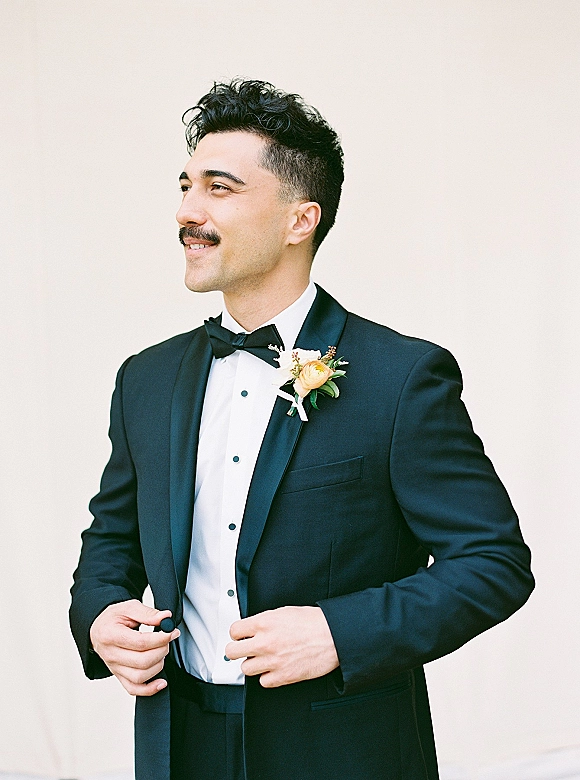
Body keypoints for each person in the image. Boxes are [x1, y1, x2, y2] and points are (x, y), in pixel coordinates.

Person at [70, 79, 534, 780]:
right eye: (186, 185)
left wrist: (338, 633)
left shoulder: (401, 378)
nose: (186, 212)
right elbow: (112, 540)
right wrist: (102, 613)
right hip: (179, 742)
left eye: (219, 188)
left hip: (342, 753)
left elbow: (493, 564)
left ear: (299, 220)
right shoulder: (146, 377)